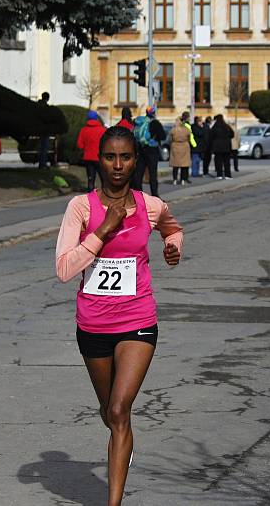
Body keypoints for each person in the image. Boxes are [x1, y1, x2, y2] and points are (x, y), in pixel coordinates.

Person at [55, 125, 183, 506]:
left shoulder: (150, 206)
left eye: (125, 157)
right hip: (93, 324)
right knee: (108, 412)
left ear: (135, 162)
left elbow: (173, 229)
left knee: (119, 408)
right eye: (110, 156)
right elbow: (64, 268)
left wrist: (173, 248)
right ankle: (120, 439)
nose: (117, 164)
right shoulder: (81, 207)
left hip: (139, 320)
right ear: (100, 159)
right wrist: (102, 232)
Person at [131, 106, 165, 197]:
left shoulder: (140, 122)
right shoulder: (155, 123)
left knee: (139, 173)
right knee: (152, 174)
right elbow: (163, 136)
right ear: (153, 113)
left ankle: (138, 195)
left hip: (141, 150)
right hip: (152, 150)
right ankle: (155, 195)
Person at [77, 111, 106, 192]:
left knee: (90, 178)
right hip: (99, 157)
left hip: (88, 157)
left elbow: (80, 145)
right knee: (103, 178)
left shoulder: (83, 130)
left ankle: (91, 197)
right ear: (97, 118)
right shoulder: (102, 130)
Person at [209, 114, 234, 180]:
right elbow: (232, 135)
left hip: (217, 147)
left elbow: (210, 136)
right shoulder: (227, 126)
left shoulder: (215, 127)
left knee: (218, 162)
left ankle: (219, 175)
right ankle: (228, 175)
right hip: (226, 147)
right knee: (227, 162)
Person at [169, 117, 191, 185]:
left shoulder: (173, 129)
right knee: (183, 165)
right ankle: (182, 180)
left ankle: (175, 179)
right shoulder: (186, 129)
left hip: (175, 146)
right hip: (184, 146)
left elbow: (170, 138)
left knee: (175, 165)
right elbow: (189, 137)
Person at [38, 91, 51, 169]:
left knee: (41, 147)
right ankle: (43, 163)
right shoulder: (45, 107)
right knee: (44, 148)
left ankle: (42, 163)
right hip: (45, 130)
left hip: (39, 128)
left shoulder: (38, 105)